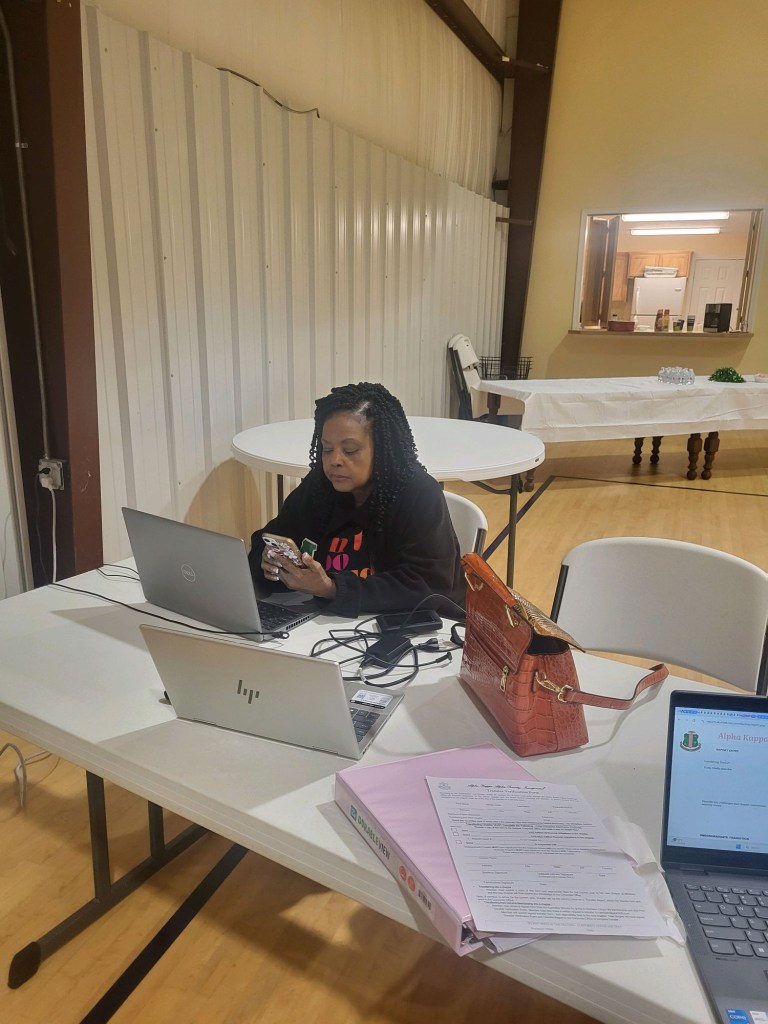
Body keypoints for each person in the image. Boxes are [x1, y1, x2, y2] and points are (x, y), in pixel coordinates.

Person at [248, 382, 465, 617]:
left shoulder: (418, 494)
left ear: (382, 449)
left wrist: (332, 589)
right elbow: (272, 537)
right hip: (328, 624)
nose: (335, 460)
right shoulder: (319, 487)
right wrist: (269, 561)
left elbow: (428, 586)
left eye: (350, 450)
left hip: (413, 626)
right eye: (327, 449)